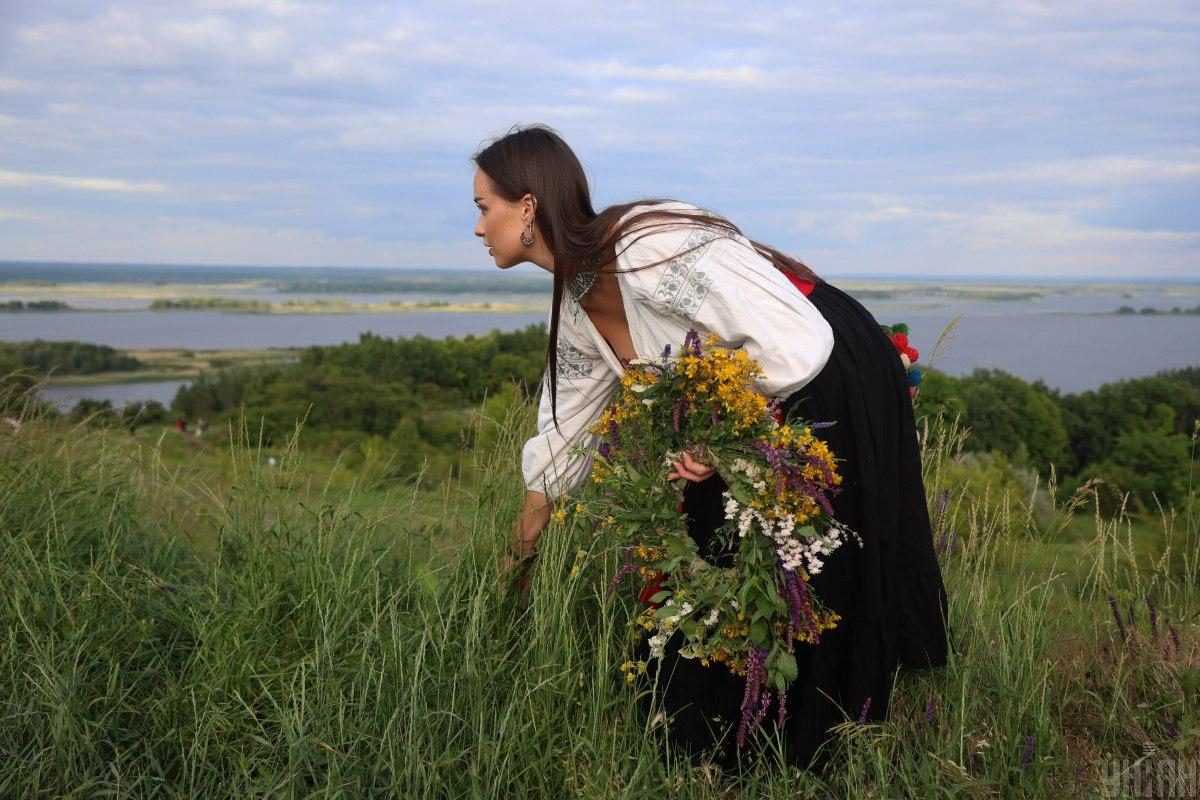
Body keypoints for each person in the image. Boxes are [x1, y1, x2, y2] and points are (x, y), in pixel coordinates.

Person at [476, 124, 949, 771]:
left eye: (483, 208)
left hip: (824, 367)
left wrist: (711, 437)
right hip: (744, 404)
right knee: (717, 561)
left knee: (815, 563)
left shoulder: (647, 249)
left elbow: (791, 344)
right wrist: (517, 562)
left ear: (526, 206)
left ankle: (820, 747)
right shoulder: (580, 308)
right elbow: (561, 437)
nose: (478, 227)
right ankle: (724, 744)